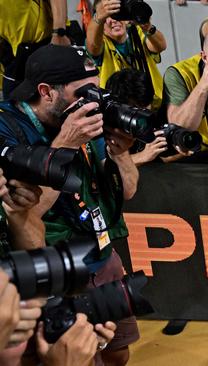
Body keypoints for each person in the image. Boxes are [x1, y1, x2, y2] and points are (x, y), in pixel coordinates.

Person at [0, 44, 139, 366]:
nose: (96, 98)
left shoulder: (89, 114)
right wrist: (64, 144)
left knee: (118, 352)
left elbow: (127, 191)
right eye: (85, 91)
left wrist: (120, 152)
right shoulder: (9, 129)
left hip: (102, 258)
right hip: (52, 273)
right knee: (74, 358)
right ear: (47, 92)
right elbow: (22, 215)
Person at [86, 0, 167, 110]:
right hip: (119, 110)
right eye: (107, 16)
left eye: (116, 14)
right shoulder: (101, 43)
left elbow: (160, 46)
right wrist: (98, 18)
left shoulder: (137, 32)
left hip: (152, 105)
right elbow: (93, 46)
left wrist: (147, 26)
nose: (113, 21)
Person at [0, 0, 70, 98]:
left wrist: (59, 32)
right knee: (13, 108)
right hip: (11, 54)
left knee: (57, 104)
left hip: (43, 45)